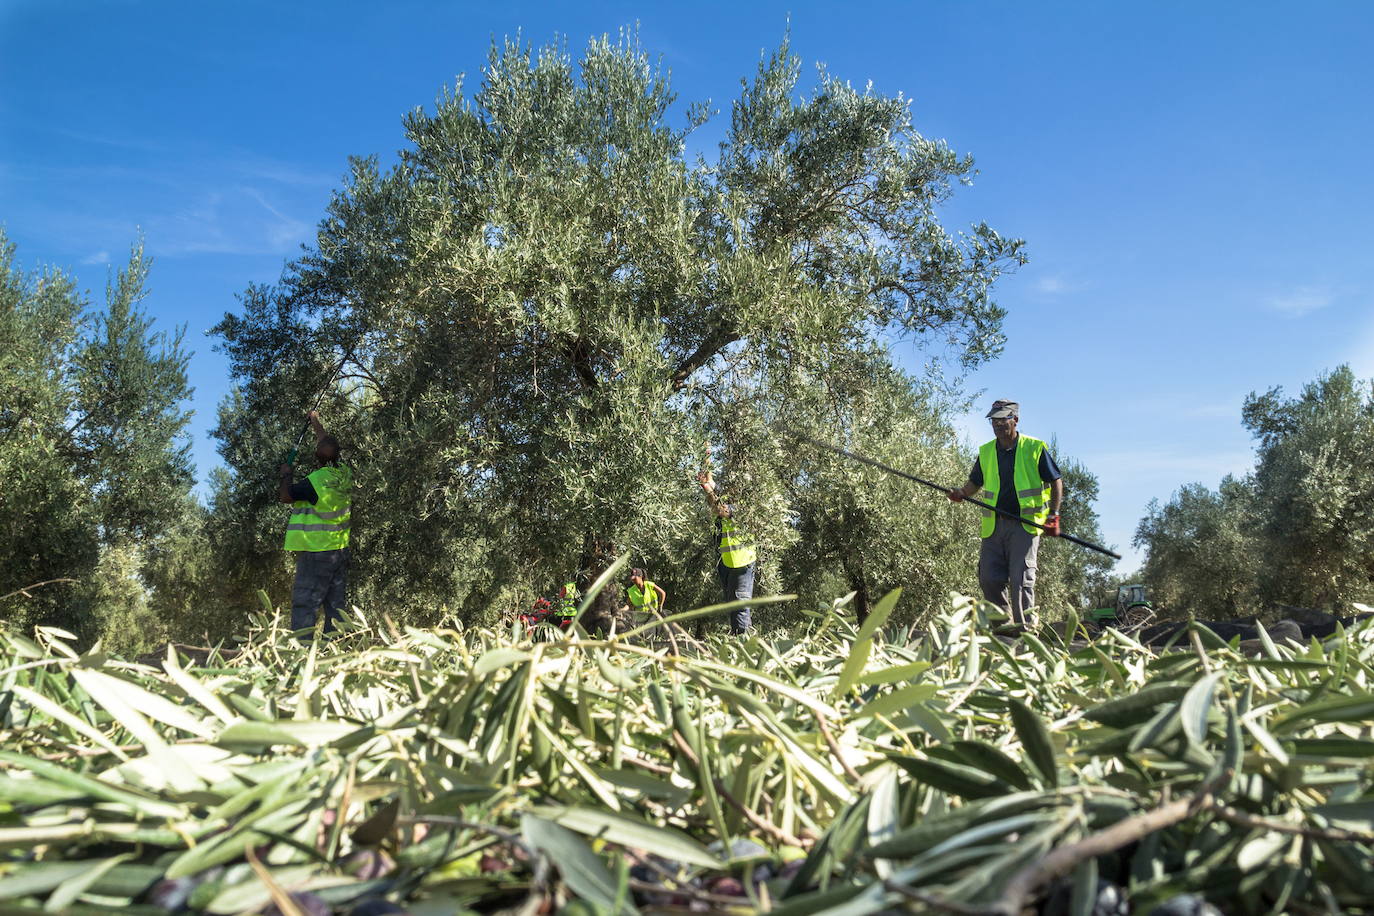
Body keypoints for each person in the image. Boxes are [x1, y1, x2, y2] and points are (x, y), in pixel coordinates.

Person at [947, 400, 1062, 630]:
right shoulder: (987, 451)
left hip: (1025, 527)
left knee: (1020, 581)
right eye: (994, 420)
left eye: (1003, 420)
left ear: (1015, 420)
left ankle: (1027, 632)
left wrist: (1053, 515)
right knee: (989, 578)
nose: (998, 425)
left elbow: (1056, 480)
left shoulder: (1034, 448)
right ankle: (1004, 629)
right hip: (994, 527)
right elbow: (975, 483)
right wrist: (960, 493)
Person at [277, 410, 353, 639]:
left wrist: (285, 475)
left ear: (317, 457)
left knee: (305, 604)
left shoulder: (315, 482)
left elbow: (286, 496)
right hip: (338, 551)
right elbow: (326, 444)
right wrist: (315, 421)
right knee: (336, 607)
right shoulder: (345, 474)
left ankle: (301, 656)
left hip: (315, 551)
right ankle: (336, 652)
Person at [696, 465, 755, 634]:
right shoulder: (728, 500)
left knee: (740, 602)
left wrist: (707, 488)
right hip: (727, 562)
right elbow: (715, 492)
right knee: (733, 603)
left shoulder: (744, 508)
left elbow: (720, 509)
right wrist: (707, 482)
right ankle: (743, 639)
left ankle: (742, 643)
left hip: (742, 561)